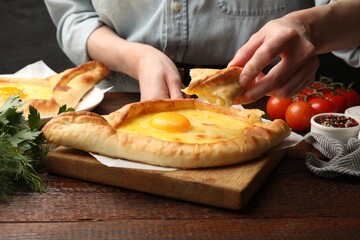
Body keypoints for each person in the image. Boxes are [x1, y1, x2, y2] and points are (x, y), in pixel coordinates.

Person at [44, 0, 360, 104]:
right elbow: (75, 15)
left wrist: (310, 28)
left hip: (272, 100)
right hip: (123, 99)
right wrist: (138, 59)